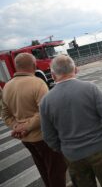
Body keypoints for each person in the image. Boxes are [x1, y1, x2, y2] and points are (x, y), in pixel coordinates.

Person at [40, 55, 102, 187]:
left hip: (73, 157)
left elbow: (48, 135)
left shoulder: (46, 101)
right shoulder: (90, 88)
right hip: (101, 149)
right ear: (76, 69)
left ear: (52, 75)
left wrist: (63, 149)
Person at [1, 53, 67, 187]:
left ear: (17, 66)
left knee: (42, 167)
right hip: (44, 137)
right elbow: (45, 113)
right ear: (33, 65)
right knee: (57, 170)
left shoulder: (7, 86)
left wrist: (16, 127)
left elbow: (5, 114)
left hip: (26, 139)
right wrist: (26, 127)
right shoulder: (37, 83)